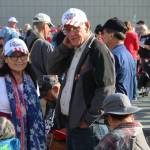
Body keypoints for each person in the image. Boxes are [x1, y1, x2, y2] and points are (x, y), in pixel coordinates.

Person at [47, 8, 115, 150]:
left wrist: (87, 120)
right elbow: (51, 68)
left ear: (87, 25)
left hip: (86, 128)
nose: (71, 33)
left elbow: (106, 89)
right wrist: (64, 46)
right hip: (72, 124)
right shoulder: (72, 48)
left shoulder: (98, 50)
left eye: (75, 28)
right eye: (67, 29)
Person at [0, 38, 46, 149]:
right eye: (14, 56)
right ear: (5, 59)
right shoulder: (1, 81)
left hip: (32, 137)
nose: (19, 60)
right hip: (6, 138)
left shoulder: (31, 79)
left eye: (22, 55)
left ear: (28, 57)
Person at [102, 18, 136, 101]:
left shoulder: (113, 56)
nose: (101, 36)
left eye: (103, 33)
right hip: (126, 104)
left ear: (111, 35)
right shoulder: (128, 54)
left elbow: (106, 86)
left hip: (116, 106)